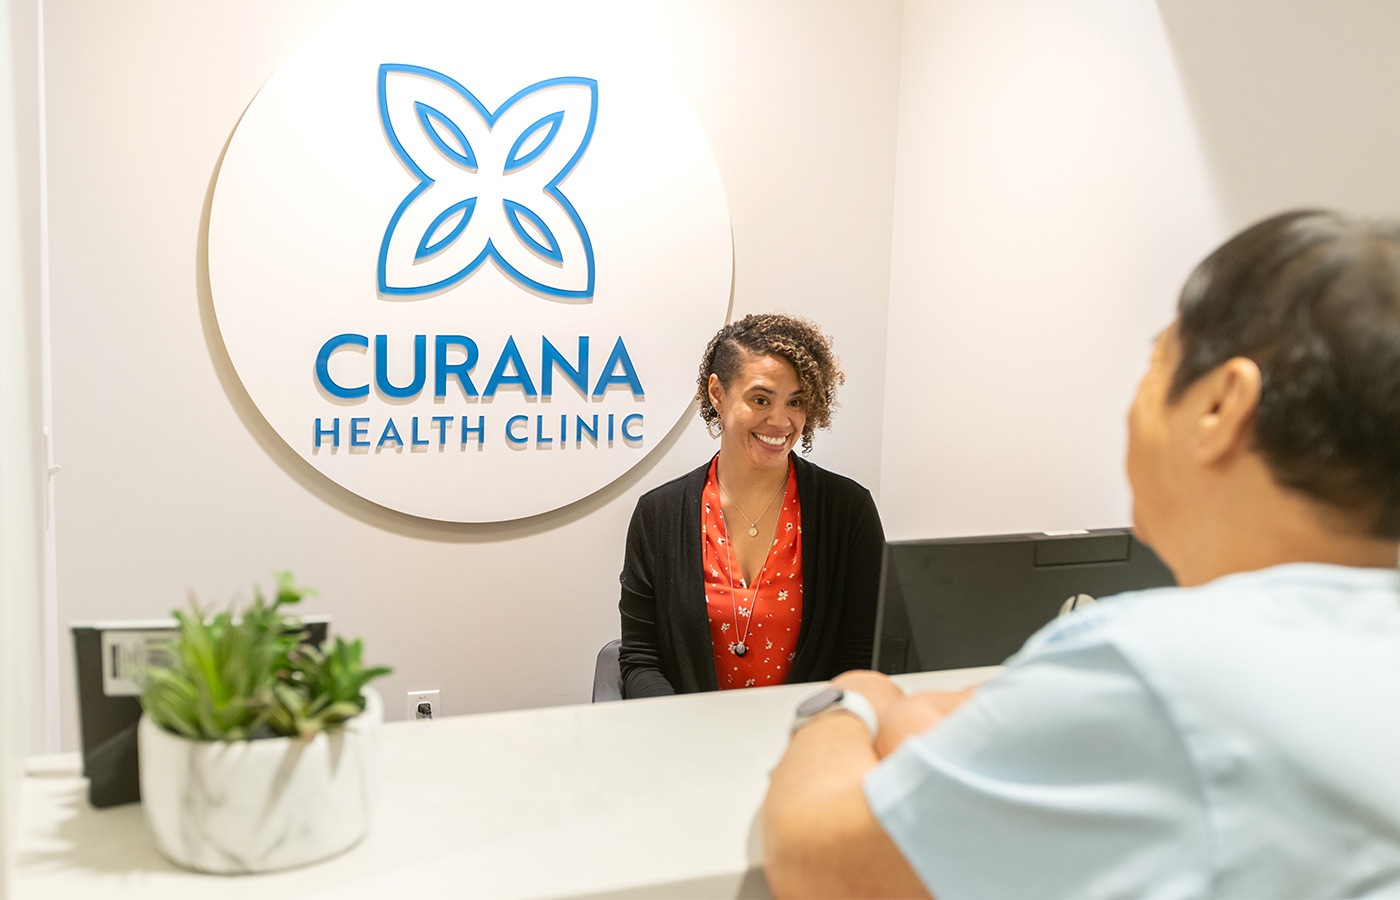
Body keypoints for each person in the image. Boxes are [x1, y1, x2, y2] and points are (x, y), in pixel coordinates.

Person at [762, 210, 1400, 898]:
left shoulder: (1158, 669)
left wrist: (843, 705)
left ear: (1220, 405)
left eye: (1158, 361)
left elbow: (820, 859)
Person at [618, 313, 885, 698]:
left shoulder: (848, 511)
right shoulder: (658, 515)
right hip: (689, 741)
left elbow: (861, 657)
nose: (780, 421)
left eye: (796, 402)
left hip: (806, 738)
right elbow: (641, 660)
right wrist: (684, 733)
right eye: (761, 399)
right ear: (717, 393)